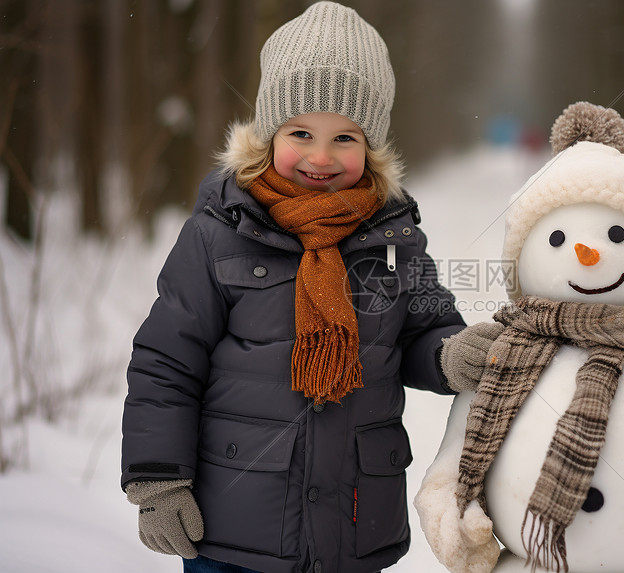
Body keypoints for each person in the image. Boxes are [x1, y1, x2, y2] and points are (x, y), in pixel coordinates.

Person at [120, 3, 465, 572]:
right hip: (233, 527)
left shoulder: (394, 239)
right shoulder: (220, 232)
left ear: (371, 146)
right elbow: (167, 361)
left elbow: (425, 334)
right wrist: (159, 479)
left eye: (345, 138)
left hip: (354, 529)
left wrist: (454, 356)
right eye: (300, 132)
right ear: (269, 133)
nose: (321, 157)